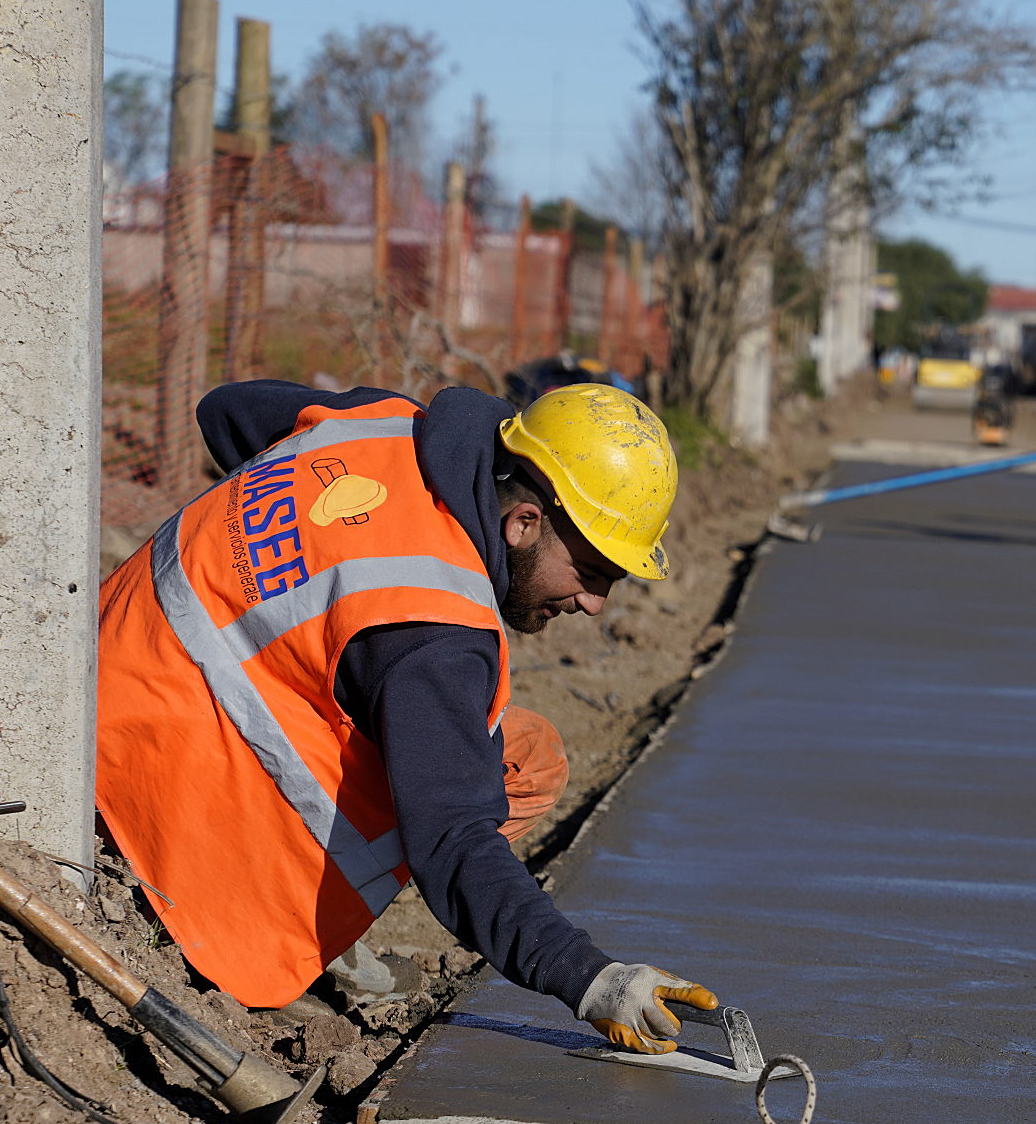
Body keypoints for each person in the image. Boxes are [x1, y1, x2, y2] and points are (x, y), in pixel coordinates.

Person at [94, 378, 719, 1058]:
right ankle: (252, 928)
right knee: (506, 770)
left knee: (523, 744)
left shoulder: (381, 425)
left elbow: (226, 413)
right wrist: (590, 977)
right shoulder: (433, 633)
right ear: (525, 521)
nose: (596, 603)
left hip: (92, 672)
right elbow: (454, 845)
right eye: (593, 570)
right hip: (140, 794)